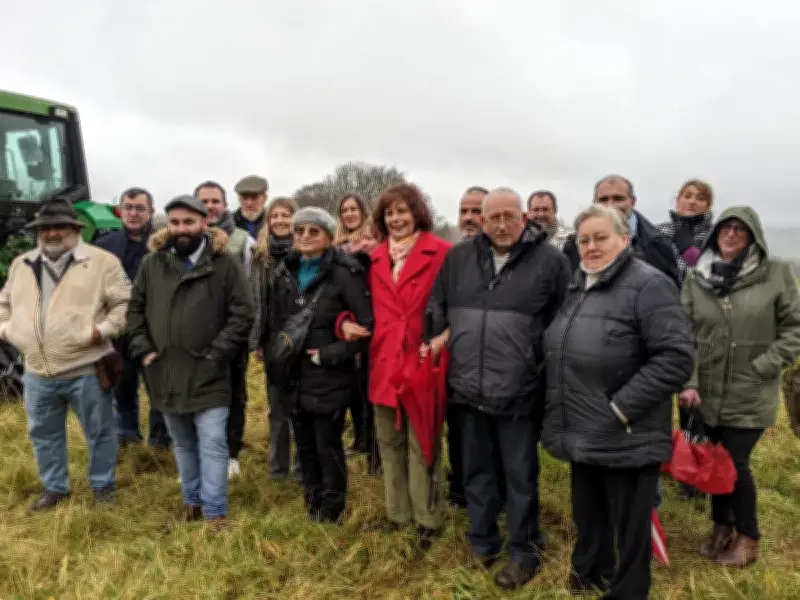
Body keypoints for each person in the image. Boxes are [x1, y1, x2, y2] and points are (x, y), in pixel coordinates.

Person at [542, 204, 694, 599]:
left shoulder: (649, 285)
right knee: (588, 513)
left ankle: (628, 590)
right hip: (583, 425)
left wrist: (621, 407)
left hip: (627, 430)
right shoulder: (580, 284)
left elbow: (675, 358)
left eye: (601, 237)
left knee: (629, 524)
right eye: (584, 240)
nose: (591, 246)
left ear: (624, 239)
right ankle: (589, 576)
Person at [426, 187, 569, 590]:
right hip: (467, 388)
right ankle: (483, 540)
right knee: (476, 472)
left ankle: (525, 551)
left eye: (509, 216)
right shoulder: (458, 259)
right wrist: (435, 334)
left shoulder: (550, 262)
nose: (501, 224)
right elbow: (437, 306)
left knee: (521, 476)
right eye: (494, 217)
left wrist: (538, 367)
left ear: (524, 218)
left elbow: (563, 321)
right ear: (483, 221)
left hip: (519, 391)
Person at [680, 206, 800, 567]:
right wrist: (690, 381)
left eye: (740, 229)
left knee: (736, 462)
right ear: (715, 233)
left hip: (750, 391)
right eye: (725, 228)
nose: (731, 234)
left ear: (753, 236)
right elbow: (684, 334)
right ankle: (721, 527)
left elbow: (795, 328)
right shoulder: (696, 278)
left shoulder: (776, 273)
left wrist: (764, 364)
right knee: (715, 461)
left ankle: (748, 538)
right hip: (706, 391)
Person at [127, 194, 254, 527]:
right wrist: (144, 350)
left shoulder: (225, 263)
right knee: (182, 443)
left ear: (204, 223)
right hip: (165, 371)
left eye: (189, 222)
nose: (181, 229)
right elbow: (135, 310)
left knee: (212, 442)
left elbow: (243, 313)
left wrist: (217, 353)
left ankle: (215, 513)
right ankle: (192, 503)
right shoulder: (152, 264)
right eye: (175, 222)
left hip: (210, 372)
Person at [0, 198, 132, 511]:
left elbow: (124, 305)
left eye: (60, 227)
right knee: (43, 433)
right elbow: (4, 302)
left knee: (99, 431)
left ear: (75, 229)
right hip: (36, 371)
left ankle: (102, 488)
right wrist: (7, 330)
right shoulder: (22, 264)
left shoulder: (103, 262)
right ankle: (55, 488)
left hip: (85, 367)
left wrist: (100, 332)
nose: (52, 233)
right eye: (45, 228)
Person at [265, 207, 373, 523]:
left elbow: (366, 328)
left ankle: (332, 509)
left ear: (328, 236)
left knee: (328, 445)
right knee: (305, 444)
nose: (306, 237)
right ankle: (312, 504)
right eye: (300, 231)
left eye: (314, 231)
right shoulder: (286, 271)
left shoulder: (346, 272)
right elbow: (277, 321)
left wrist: (327, 354)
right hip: (294, 374)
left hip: (329, 374)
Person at [362, 183, 451, 549]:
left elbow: (458, 305)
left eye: (403, 211)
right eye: (389, 213)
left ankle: (428, 519)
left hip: (420, 361)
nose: (396, 219)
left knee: (423, 444)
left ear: (417, 213)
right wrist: (343, 324)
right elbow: (352, 303)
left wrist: (444, 338)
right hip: (383, 362)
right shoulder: (373, 258)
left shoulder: (442, 253)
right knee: (389, 443)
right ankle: (397, 515)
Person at [95, 187, 170, 449]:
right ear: (120, 211)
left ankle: (161, 439)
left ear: (151, 212)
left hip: (154, 330)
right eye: (128, 207)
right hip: (119, 331)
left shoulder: (164, 244)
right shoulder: (104, 247)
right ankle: (127, 436)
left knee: (159, 387)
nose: (134, 213)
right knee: (122, 385)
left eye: (140, 208)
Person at [656, 178, 716, 498]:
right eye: (687, 196)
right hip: (660, 322)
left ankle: (692, 479)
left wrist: (687, 242)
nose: (692, 202)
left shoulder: (716, 234)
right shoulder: (658, 231)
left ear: (709, 205)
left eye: (700, 198)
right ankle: (661, 458)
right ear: (677, 199)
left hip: (697, 326)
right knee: (657, 397)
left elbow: (708, 270)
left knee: (692, 405)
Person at [195, 180, 256, 479]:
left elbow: (250, 292)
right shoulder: (182, 240)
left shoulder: (244, 241)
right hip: (193, 335)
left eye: (215, 201)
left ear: (224, 203)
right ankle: (200, 454)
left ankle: (231, 453)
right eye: (204, 201)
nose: (210, 207)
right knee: (196, 394)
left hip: (231, 334)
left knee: (234, 393)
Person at [251, 196, 303, 482]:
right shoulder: (261, 256)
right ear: (268, 221)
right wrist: (258, 340)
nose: (281, 220)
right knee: (278, 406)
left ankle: (301, 468)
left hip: (303, 337)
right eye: (275, 216)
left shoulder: (307, 252)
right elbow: (258, 301)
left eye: (286, 215)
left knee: (302, 405)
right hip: (273, 340)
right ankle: (277, 468)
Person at [563, 175, 679, 286]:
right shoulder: (574, 245)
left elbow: (669, 293)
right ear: (595, 203)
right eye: (603, 199)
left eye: (618, 198)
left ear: (632, 202)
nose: (611, 205)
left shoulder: (657, 244)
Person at [336, 218, 383, 474]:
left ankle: (381, 459)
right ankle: (371, 458)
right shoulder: (352, 269)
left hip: (383, 345)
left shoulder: (388, 267)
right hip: (359, 344)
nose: (366, 243)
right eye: (362, 237)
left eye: (372, 238)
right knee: (364, 402)